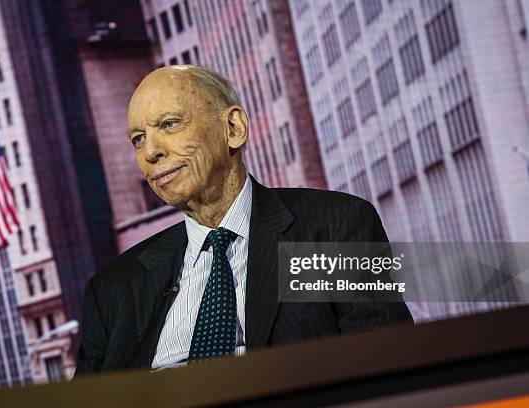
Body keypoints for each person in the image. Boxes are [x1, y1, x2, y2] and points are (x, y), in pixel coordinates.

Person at [73, 65, 412, 376]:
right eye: (138, 139)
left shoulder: (335, 227)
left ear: (233, 128)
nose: (150, 152)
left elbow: (390, 366)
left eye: (169, 125)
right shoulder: (111, 290)